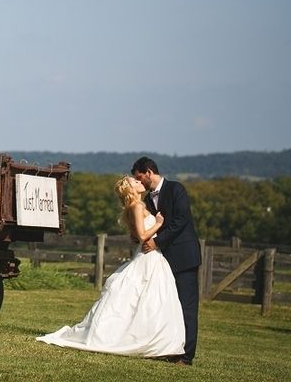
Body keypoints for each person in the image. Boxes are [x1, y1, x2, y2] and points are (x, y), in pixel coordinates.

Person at [36, 175, 185, 358]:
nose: (140, 182)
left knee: (151, 298)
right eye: (135, 182)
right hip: (148, 255)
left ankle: (153, 339)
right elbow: (142, 235)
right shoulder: (137, 207)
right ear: (130, 189)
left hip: (152, 256)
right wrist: (160, 223)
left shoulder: (138, 206)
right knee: (145, 298)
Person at [132, 155, 201, 366]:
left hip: (184, 256)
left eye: (139, 177)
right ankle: (168, 348)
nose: (139, 182)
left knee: (186, 307)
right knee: (167, 306)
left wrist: (157, 242)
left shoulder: (176, 189)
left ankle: (186, 355)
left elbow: (180, 220)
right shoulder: (145, 200)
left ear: (149, 172)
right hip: (162, 262)